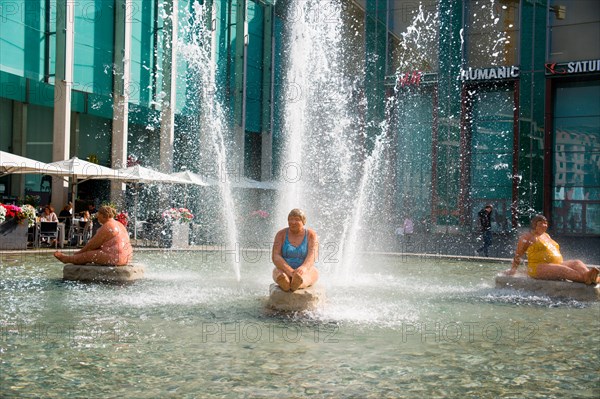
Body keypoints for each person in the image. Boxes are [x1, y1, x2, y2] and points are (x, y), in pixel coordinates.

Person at [506, 215, 599, 285]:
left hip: (554, 264)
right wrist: (513, 270)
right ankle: (585, 278)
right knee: (563, 270)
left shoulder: (546, 235)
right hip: (537, 267)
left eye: (545, 223)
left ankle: (589, 275)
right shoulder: (527, 237)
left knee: (576, 262)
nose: (544, 225)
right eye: (541, 223)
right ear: (535, 225)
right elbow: (518, 254)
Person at [54, 206, 133, 266]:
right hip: (127, 257)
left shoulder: (108, 226)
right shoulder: (119, 224)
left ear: (103, 215)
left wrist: (79, 253)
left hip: (116, 258)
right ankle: (71, 257)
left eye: (98, 215)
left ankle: (67, 259)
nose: (97, 217)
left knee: (87, 255)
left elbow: (91, 245)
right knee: (91, 252)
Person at [272, 208, 319, 292]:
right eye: (290, 219)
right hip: (283, 269)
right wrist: (289, 270)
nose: (293, 222)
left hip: (304, 270)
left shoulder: (311, 235)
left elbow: (313, 255)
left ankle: (298, 283)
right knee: (279, 274)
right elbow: (276, 256)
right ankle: (285, 282)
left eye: (297, 219)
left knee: (311, 274)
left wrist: (303, 267)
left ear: (303, 221)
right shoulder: (281, 234)